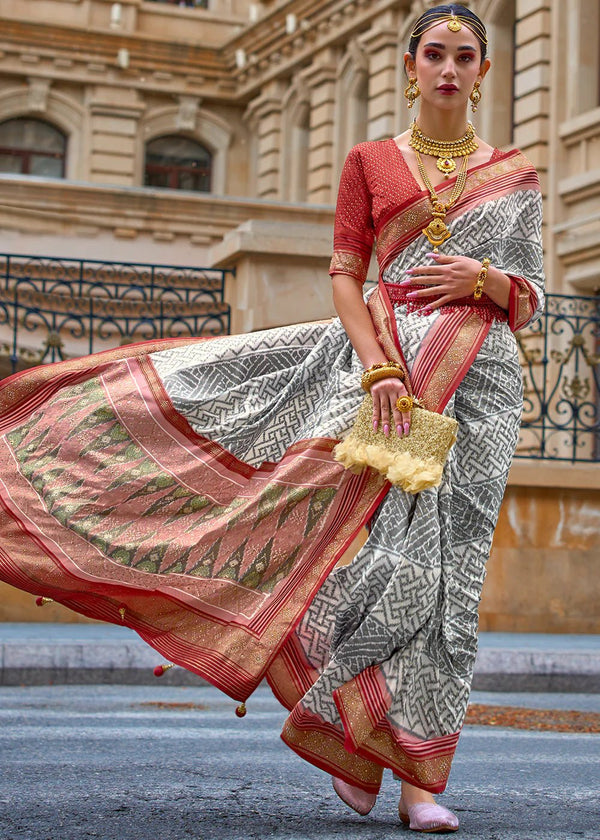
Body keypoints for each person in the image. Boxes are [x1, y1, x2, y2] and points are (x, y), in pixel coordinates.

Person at [0, 3, 543, 835]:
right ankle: (350, 735)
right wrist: (381, 367)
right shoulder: (369, 162)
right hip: (395, 378)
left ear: (484, 71)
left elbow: (533, 296)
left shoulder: (516, 174)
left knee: (455, 581)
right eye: (433, 53)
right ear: (409, 64)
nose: (447, 68)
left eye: (463, 56)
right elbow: (345, 276)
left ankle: (418, 781)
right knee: (396, 567)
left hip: (486, 382)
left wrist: (489, 282)